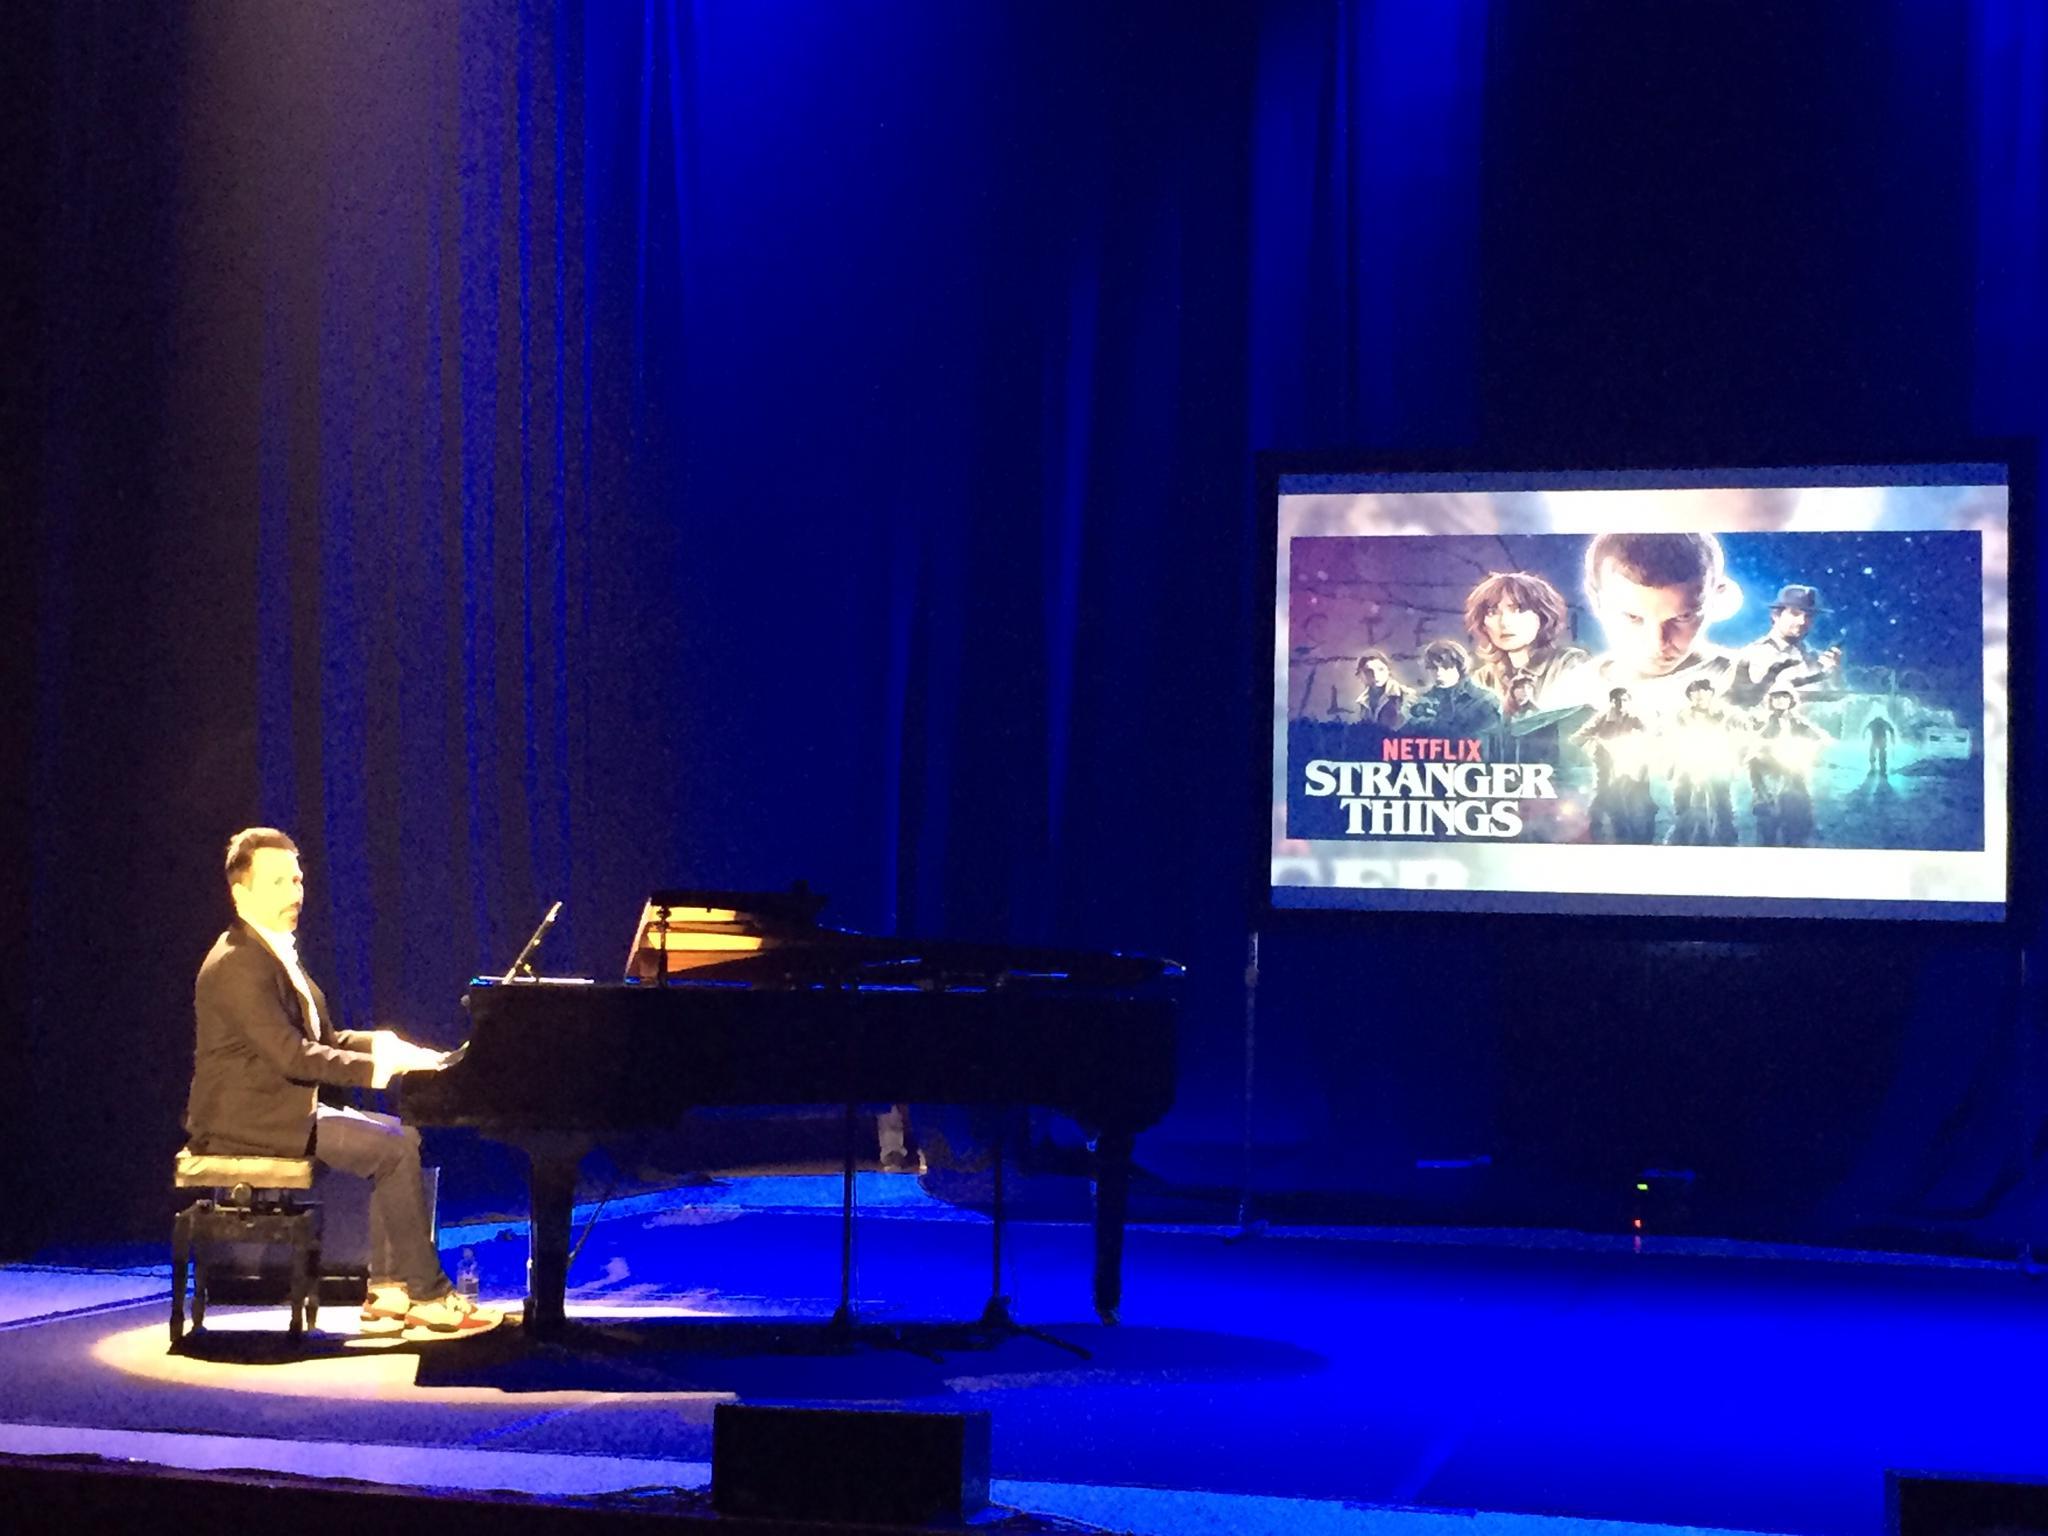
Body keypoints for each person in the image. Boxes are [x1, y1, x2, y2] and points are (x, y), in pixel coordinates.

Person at [184, 828, 502, 1339]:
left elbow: (324, 1039)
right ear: (240, 893)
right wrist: (380, 1070)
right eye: (278, 882)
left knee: (403, 1137)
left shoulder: (273, 954)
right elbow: (292, 1054)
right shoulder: (237, 962)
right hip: (247, 1119)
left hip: (279, 1106)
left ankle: (389, 1290)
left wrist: (388, 1047)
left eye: (297, 880)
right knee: (392, 1149)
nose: (294, 893)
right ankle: (428, 1295)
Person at [1578, 531, 1734, 719]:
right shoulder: (1572, 691)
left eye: (1683, 616)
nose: (1658, 643)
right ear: (1595, 600)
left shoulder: (1742, 680)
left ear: (1716, 598)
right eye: (1632, 617)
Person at [1461, 570, 1589, 707]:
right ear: (1483, 624)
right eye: (1492, 612)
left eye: (1517, 610)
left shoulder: (1569, 663)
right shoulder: (1482, 679)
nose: (1504, 622)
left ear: (1542, 616)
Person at [1727, 584, 1841, 710]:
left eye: (1808, 616)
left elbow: (1830, 704)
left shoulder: (1814, 658)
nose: (1802, 621)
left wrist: (1832, 675)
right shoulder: (1751, 655)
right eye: (1795, 613)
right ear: (1776, 615)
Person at [1571, 686, 1656, 842]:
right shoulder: (1602, 718)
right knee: (1604, 797)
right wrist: (1597, 743)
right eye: (1617, 700)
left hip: (1631, 765)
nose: (1621, 704)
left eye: (1624, 700)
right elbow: (1578, 737)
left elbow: (1651, 734)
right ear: (1611, 702)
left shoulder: (1635, 717)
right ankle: (1597, 831)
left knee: (1638, 800)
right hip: (1605, 764)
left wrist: (1639, 741)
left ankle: (1639, 836)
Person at [1748, 690, 1830, 846]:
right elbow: (1754, 746)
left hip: (1793, 772)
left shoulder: (1798, 722)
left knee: (1796, 821)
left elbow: (1822, 739)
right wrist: (1765, 750)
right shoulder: (1764, 723)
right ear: (1771, 701)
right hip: (1768, 773)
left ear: (1790, 700)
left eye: (1784, 697)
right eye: (1776, 697)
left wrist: (1809, 750)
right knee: (1767, 824)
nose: (1780, 700)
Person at [1666, 677, 1740, 845]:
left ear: (1711, 693)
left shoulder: (1723, 713)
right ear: (1690, 695)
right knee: (1682, 799)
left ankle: (1727, 838)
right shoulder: (1681, 716)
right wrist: (1671, 765)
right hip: (1688, 761)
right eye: (1695, 691)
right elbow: (1672, 739)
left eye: (1704, 690)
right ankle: (1680, 837)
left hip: (1716, 761)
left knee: (1722, 802)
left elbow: (1735, 733)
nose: (1699, 694)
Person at [1404, 640, 1501, 739]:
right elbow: (1406, 740)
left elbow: (1484, 739)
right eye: (1433, 668)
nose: (1439, 673)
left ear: (1459, 665)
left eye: (1445, 667)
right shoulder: (1422, 701)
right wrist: (1407, 715)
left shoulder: (1485, 700)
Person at [1351, 651, 1407, 729]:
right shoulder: (1363, 701)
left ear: (1388, 671)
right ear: (1360, 674)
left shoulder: (1404, 695)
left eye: (1381, 669)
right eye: (1369, 671)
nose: (1375, 675)